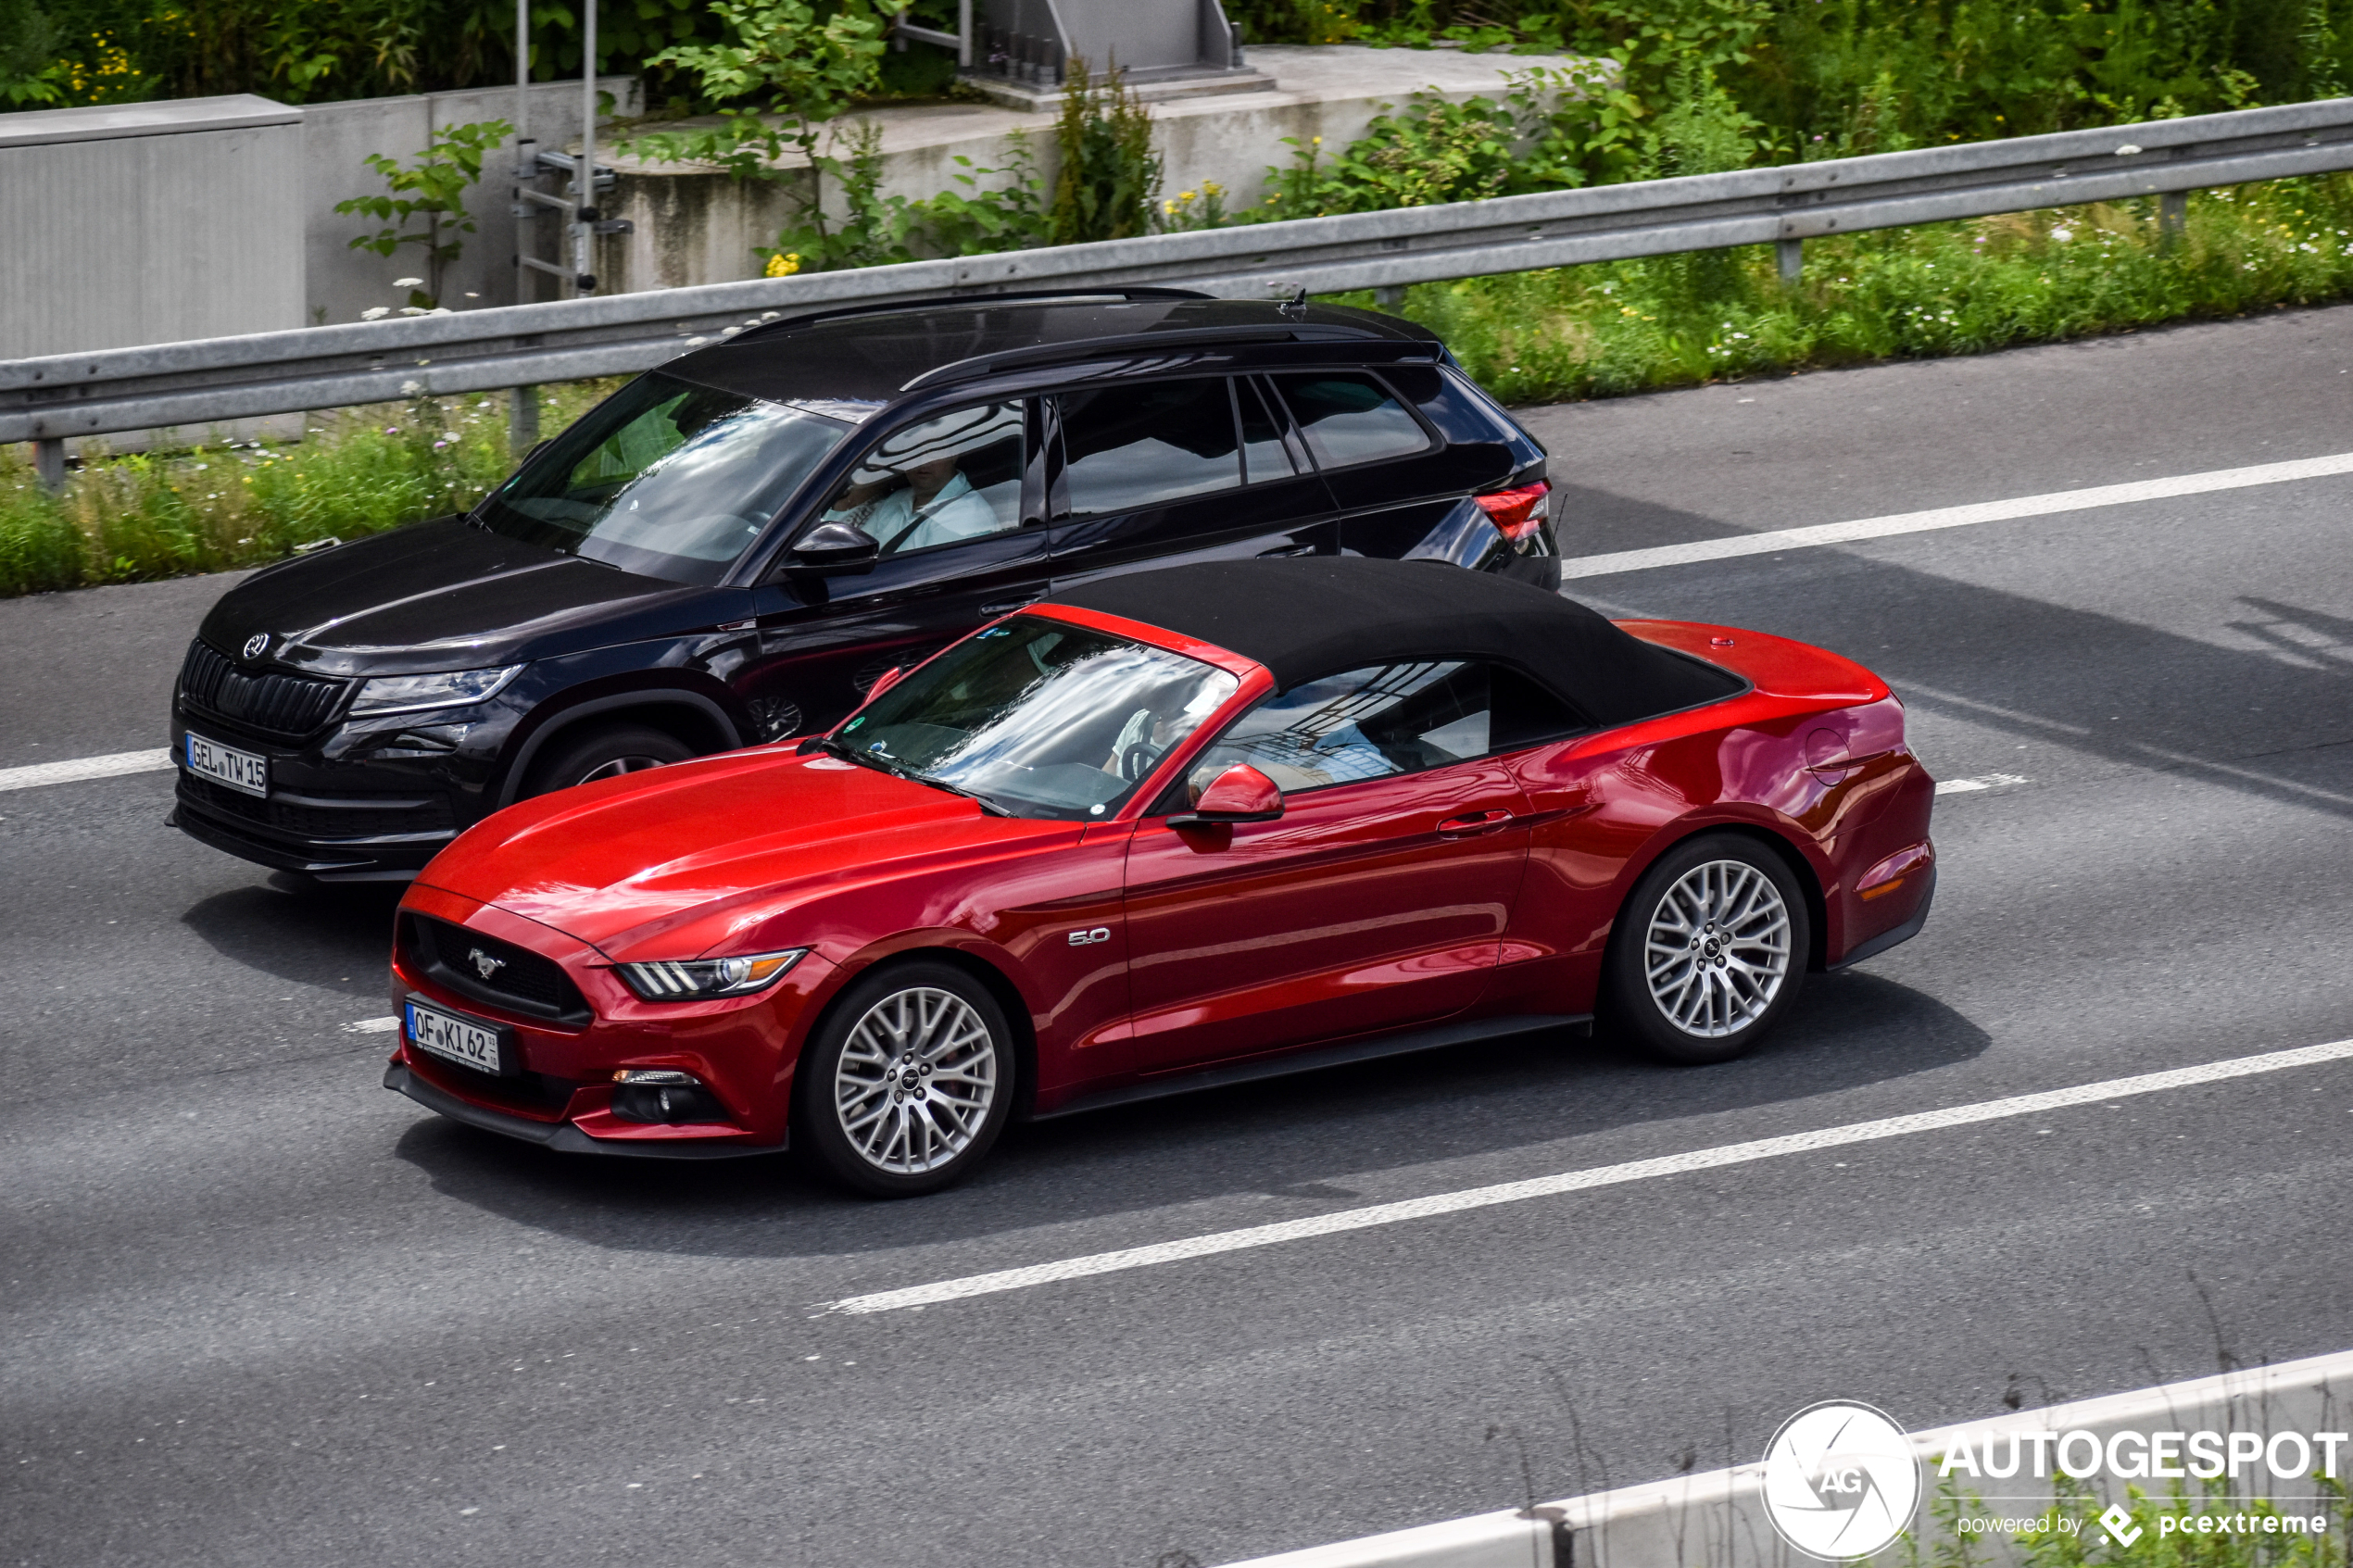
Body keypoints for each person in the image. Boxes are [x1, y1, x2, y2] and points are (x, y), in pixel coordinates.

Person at [823, 410, 1008, 555]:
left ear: (954, 454)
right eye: (914, 451)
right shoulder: (898, 499)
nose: (922, 461)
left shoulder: (964, 520)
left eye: (933, 450)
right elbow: (851, 547)